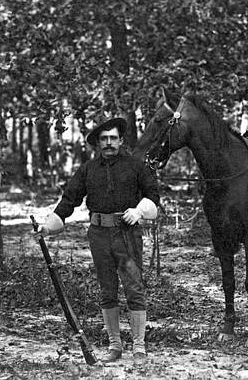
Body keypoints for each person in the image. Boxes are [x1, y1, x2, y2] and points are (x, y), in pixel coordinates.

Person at [35, 115, 159, 364]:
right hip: (99, 235)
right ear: (98, 143)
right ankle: (115, 345)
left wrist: (138, 211)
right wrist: (46, 228)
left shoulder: (136, 166)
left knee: (134, 288)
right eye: (104, 139)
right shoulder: (88, 170)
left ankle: (139, 347)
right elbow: (69, 201)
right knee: (107, 289)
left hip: (126, 234)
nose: (109, 143)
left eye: (113, 138)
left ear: (121, 140)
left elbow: (153, 197)